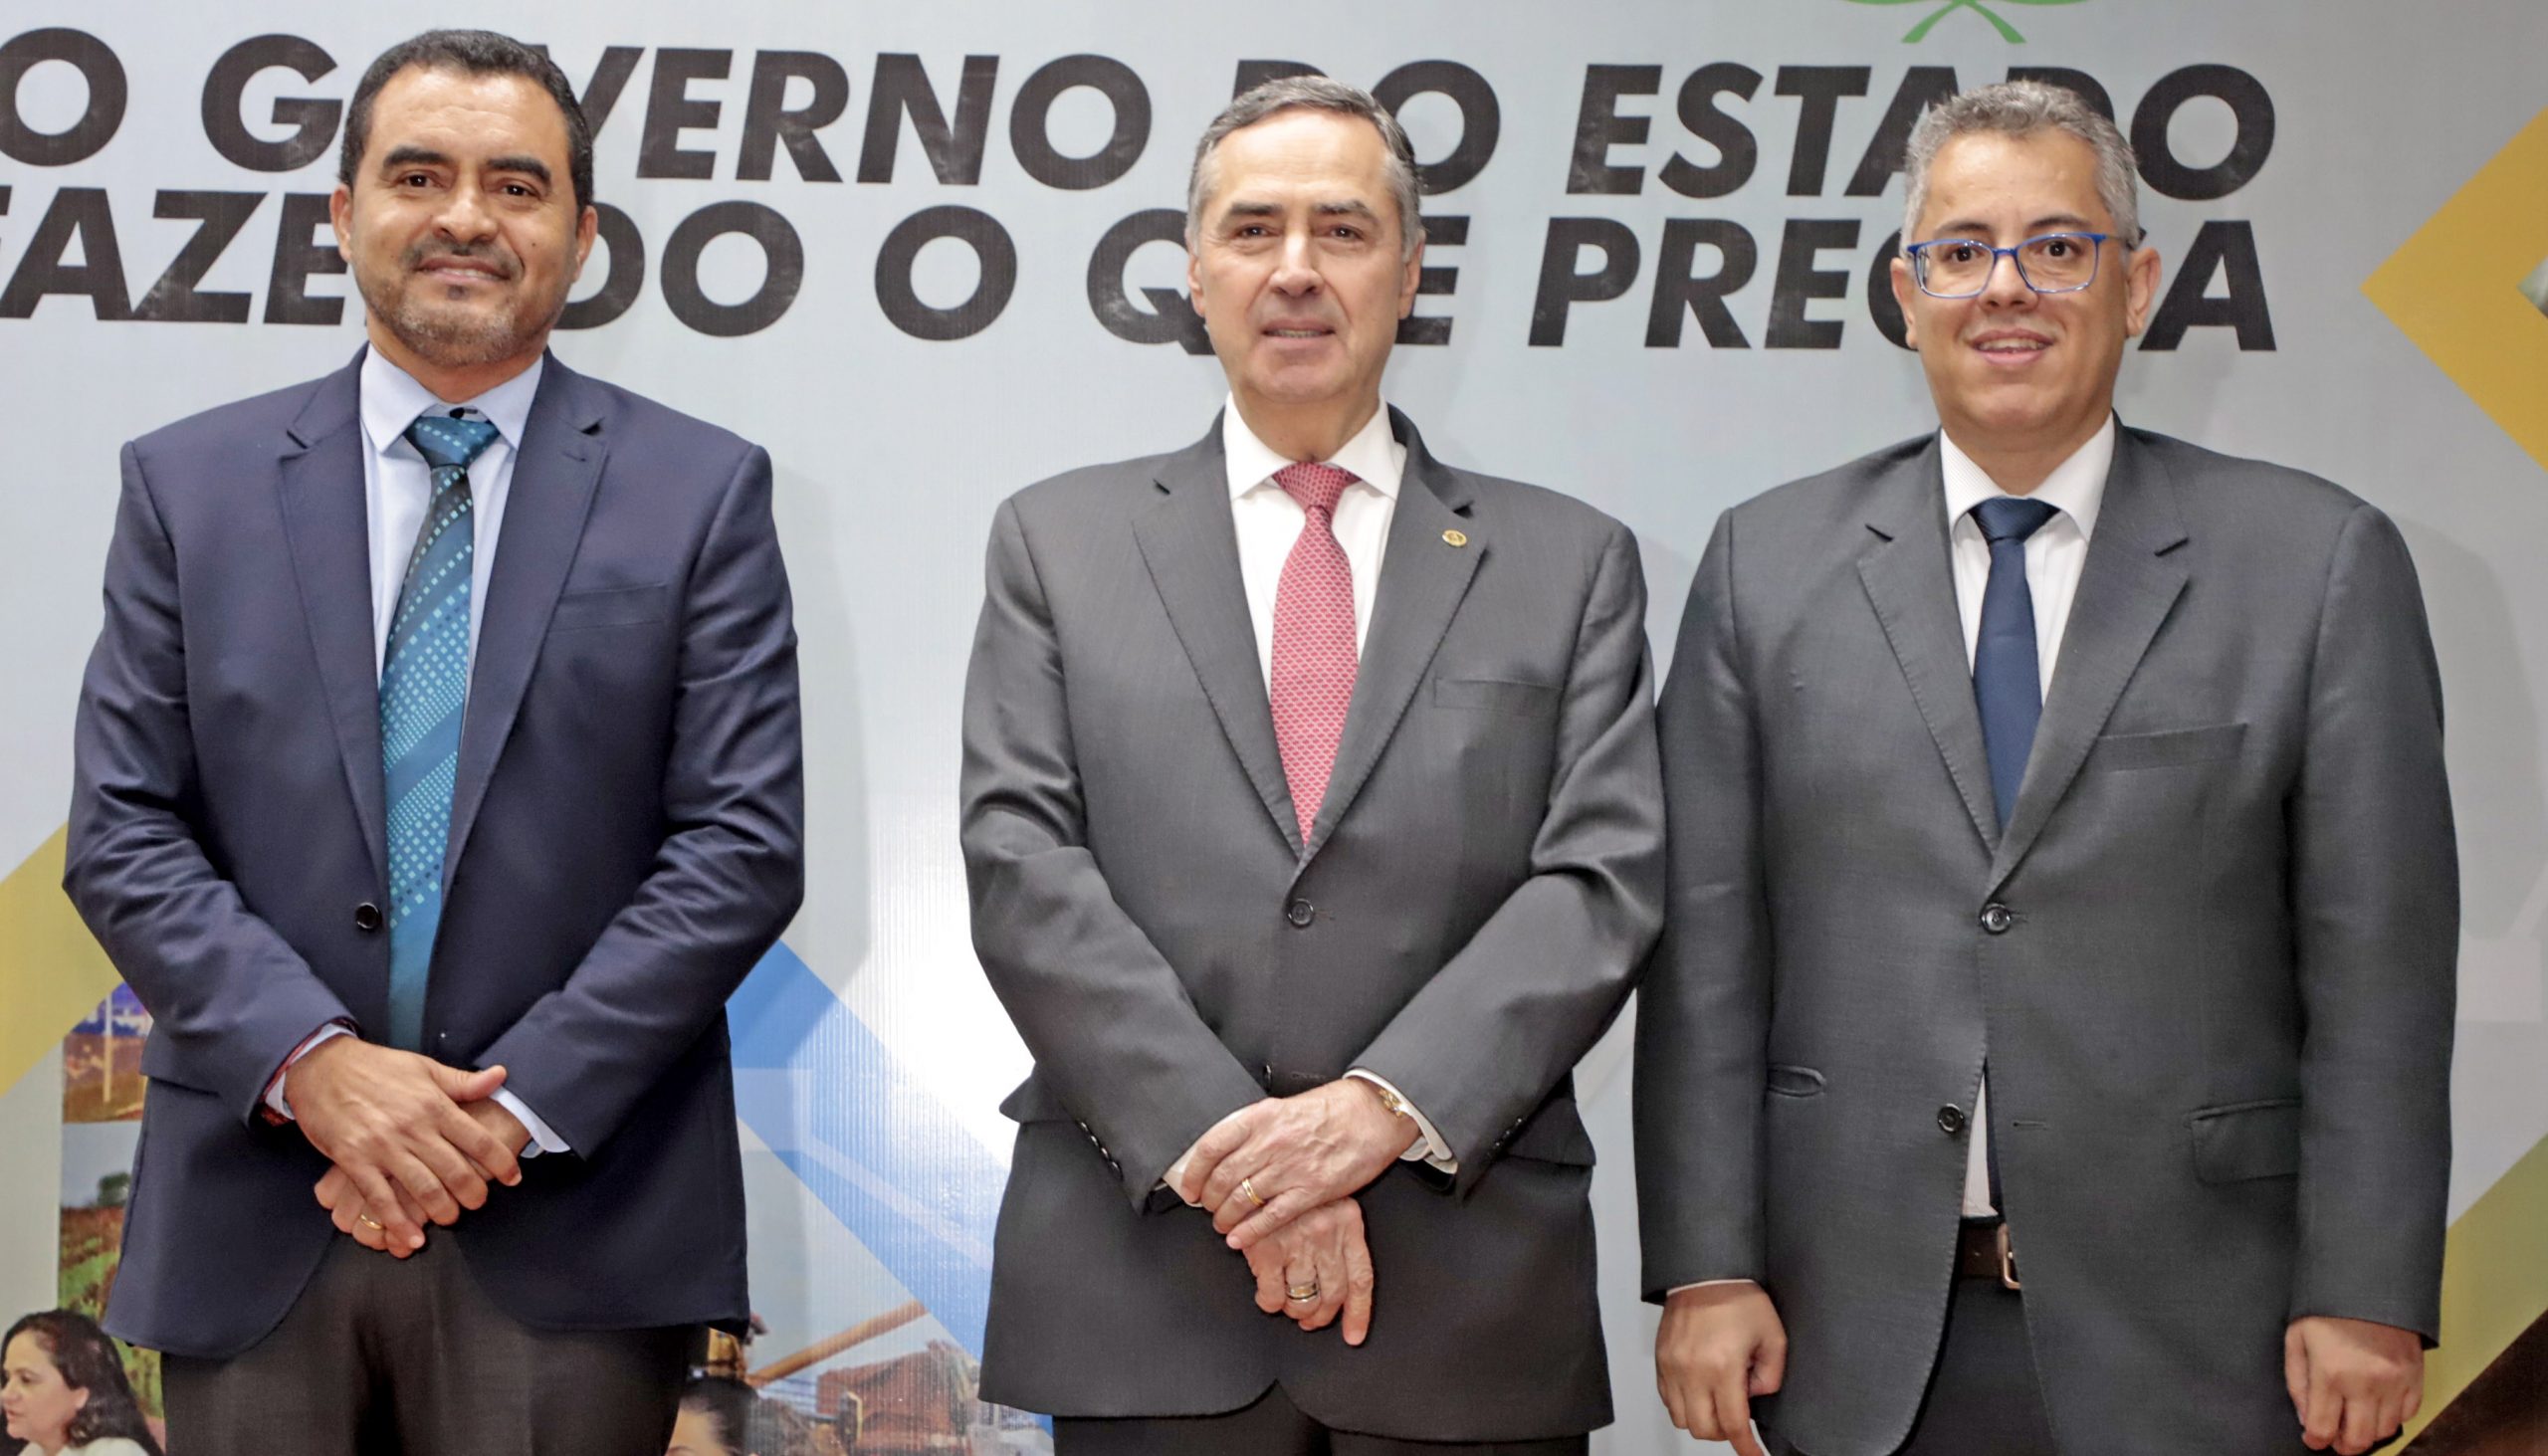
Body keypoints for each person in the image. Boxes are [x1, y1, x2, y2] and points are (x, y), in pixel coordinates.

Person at [1634, 80, 2454, 1456]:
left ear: (2136, 285)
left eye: (2057, 246)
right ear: (1906, 292)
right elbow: (1708, 955)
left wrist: (2368, 1286)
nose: (2004, 288)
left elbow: (2378, 965)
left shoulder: (2314, 563)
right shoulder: (1762, 566)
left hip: (2209, 1332)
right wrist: (1709, 1265)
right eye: (1961, 251)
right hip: (1853, 1333)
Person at [63, 28, 803, 1455]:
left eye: (517, 185)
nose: (466, 216)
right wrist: (316, 1063)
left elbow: (740, 848)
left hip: (572, 1221)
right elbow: (126, 829)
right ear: (343, 213)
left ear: (583, 235)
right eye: (419, 174)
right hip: (257, 1207)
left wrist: (496, 1114)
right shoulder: (188, 487)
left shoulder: (701, 492)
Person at [959, 76, 1663, 1454]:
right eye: (1253, 229)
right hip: (1144, 1283)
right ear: (1194, 277)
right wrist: (1248, 1151)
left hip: (1465, 1299)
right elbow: (1020, 862)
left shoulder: (1571, 560)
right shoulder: (1056, 541)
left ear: (1408, 277)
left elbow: (1601, 880)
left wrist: (1374, 1114)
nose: (1294, 270)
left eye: (1341, 231)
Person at [1, 1311, 162, 1456]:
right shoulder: (33, 1451)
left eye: (26, 1379)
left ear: (81, 1394)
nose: (6, 1394)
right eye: (7, 1378)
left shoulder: (116, 1452)